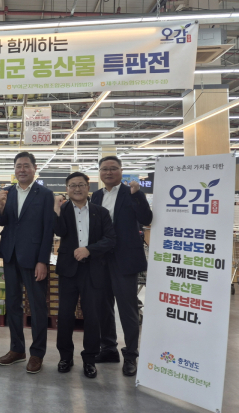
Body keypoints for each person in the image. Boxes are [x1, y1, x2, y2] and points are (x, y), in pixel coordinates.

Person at [90, 156, 153, 377]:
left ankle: (131, 356)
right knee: (103, 307)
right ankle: (108, 349)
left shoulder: (131, 193)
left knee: (128, 309)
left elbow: (146, 218)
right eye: (104, 169)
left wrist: (138, 196)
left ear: (121, 171)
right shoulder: (96, 196)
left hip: (125, 259)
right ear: (99, 172)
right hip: (100, 259)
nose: (108, 172)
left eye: (113, 168)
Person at [0, 152, 54, 374]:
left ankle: (37, 353)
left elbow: (48, 229)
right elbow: (1, 221)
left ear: (34, 168)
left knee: (37, 307)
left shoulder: (45, 194)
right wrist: (0, 206)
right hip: (10, 255)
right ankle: (17, 349)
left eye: (26, 166)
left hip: (33, 257)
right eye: (18, 166)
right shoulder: (7, 192)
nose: (22, 169)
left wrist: (42, 261)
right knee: (12, 304)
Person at [53, 172, 116, 379]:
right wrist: (56, 211)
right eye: (72, 185)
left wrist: (89, 249)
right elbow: (59, 231)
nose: (77, 189)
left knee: (92, 317)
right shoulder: (62, 210)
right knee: (65, 316)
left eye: (81, 185)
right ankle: (65, 357)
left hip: (93, 270)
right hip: (68, 271)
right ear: (67, 189)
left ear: (88, 188)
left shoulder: (101, 212)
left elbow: (110, 239)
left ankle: (89, 359)